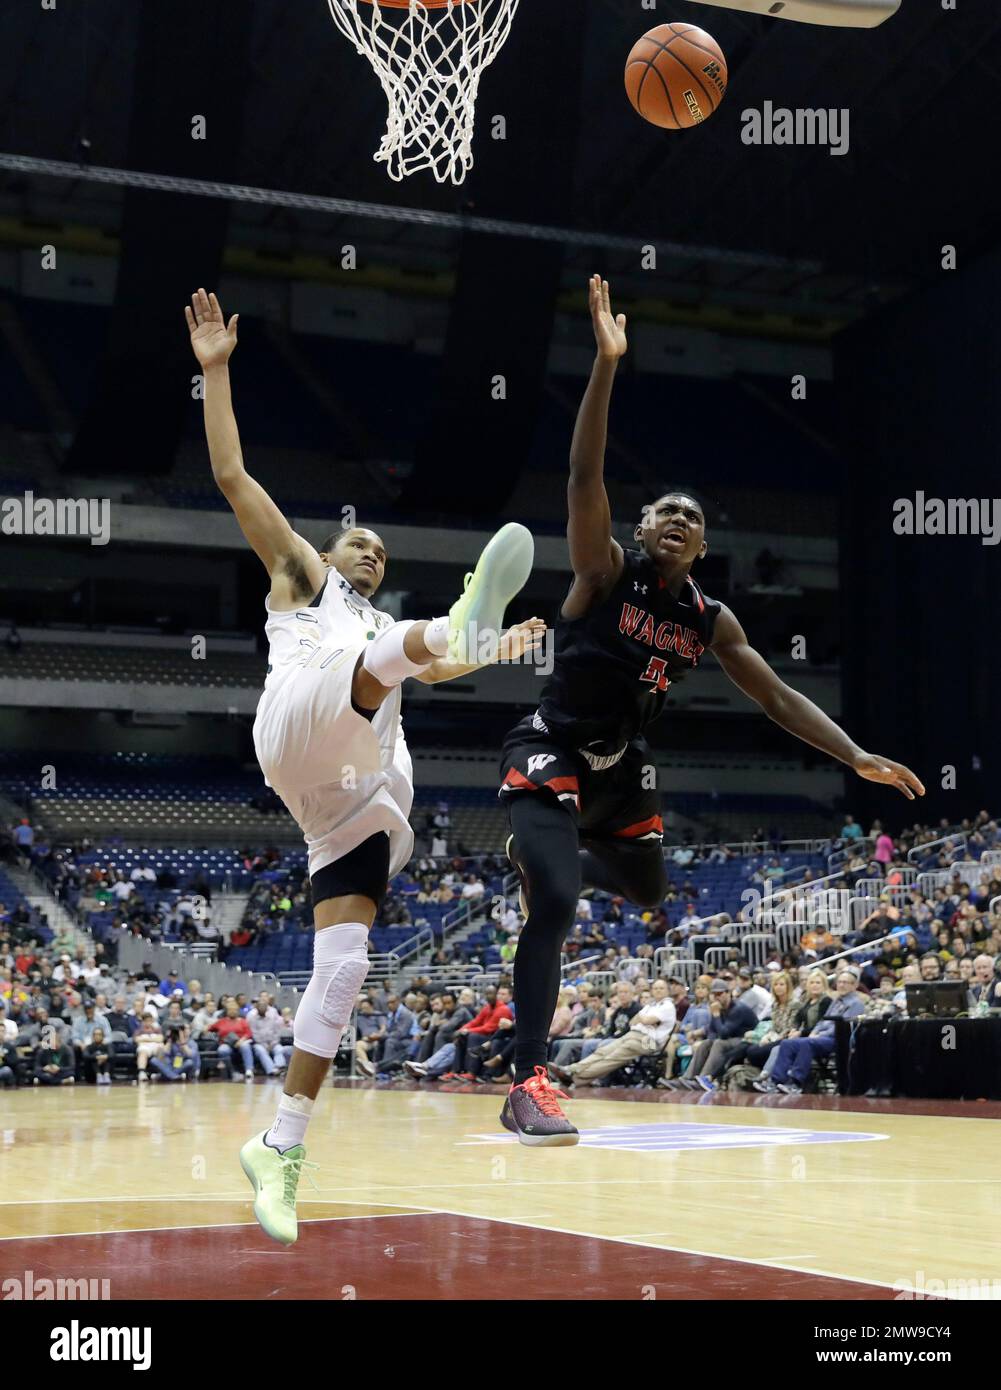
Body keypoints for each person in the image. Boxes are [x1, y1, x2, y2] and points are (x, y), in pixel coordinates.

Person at [497, 277, 925, 1145]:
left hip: (619, 776)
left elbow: (776, 696)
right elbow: (583, 474)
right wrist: (606, 365)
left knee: (650, 893)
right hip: (549, 748)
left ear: (701, 543)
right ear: (643, 525)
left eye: (690, 517)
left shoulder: (711, 619)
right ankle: (526, 1080)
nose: (676, 521)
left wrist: (855, 758)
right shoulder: (603, 572)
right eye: (663, 511)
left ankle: (565, 844)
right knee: (557, 899)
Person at [186, 287, 543, 1244]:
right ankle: (465, 611)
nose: (372, 552)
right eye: (361, 542)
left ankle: (282, 1145)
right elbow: (230, 474)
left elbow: (437, 661)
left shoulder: (385, 626)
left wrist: (496, 652)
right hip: (297, 724)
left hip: (345, 806)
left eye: (381, 550)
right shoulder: (303, 580)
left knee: (342, 974)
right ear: (328, 548)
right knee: (384, 661)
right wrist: (217, 371)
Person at [549, 977, 675, 1087]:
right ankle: (572, 1070)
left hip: (650, 1042)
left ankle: (574, 1076)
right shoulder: (651, 1005)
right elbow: (633, 1022)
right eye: (656, 988)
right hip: (634, 1035)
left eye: (661, 988)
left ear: (667, 991)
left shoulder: (667, 1006)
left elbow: (645, 1020)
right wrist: (645, 1020)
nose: (658, 990)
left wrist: (643, 1019)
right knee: (603, 1051)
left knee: (612, 1057)